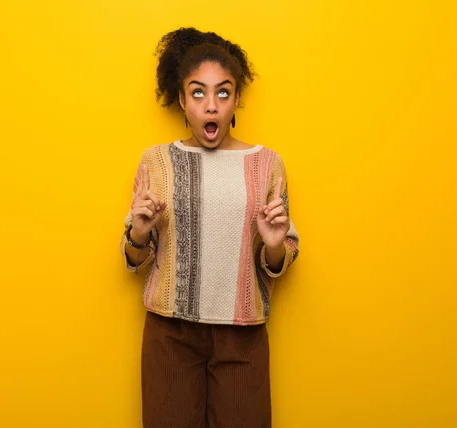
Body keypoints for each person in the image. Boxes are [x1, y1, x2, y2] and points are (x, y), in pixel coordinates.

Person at [119, 27, 300, 428]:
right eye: (198, 92)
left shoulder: (267, 164)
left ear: (237, 100)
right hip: (170, 335)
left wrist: (272, 247)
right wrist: (140, 232)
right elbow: (133, 257)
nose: (211, 105)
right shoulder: (158, 162)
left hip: (243, 335)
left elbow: (281, 257)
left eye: (223, 92)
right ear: (182, 100)